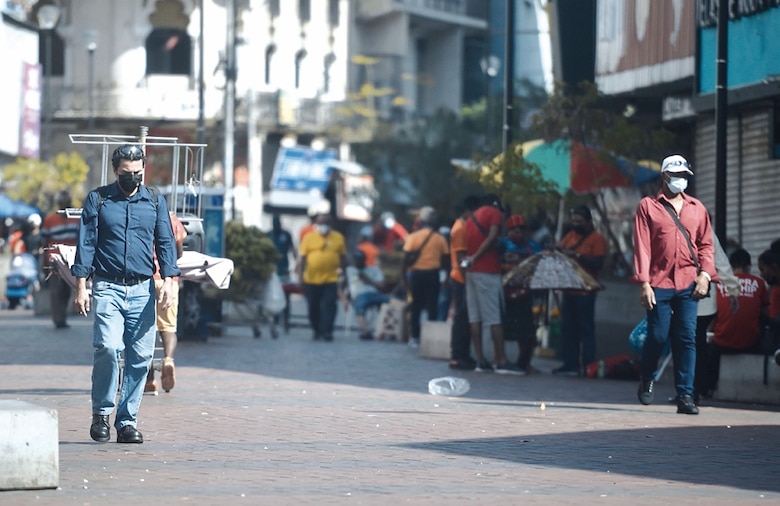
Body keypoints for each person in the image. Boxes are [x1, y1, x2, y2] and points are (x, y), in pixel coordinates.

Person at [72, 144, 181, 444]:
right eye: (125, 173)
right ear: (115, 170)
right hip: (108, 287)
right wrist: (81, 284)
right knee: (107, 347)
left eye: (137, 173)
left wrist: (170, 280)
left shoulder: (155, 200)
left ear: (143, 170)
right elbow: (87, 242)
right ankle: (101, 413)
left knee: (141, 357)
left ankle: (127, 421)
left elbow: (165, 241)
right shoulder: (99, 199)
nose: (131, 178)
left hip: (143, 289)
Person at [633, 154, 715, 415]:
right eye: (675, 176)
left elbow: (706, 246)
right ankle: (647, 376)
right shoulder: (648, 206)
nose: (680, 181)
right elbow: (642, 247)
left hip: (688, 283)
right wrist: (644, 282)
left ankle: (686, 395)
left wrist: (705, 275)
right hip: (659, 281)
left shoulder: (697, 208)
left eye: (684, 176)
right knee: (657, 335)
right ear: (664, 177)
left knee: (686, 338)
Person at [462, 194, 523, 375]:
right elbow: (493, 235)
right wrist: (477, 257)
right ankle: (501, 360)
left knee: (475, 317)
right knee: (494, 317)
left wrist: (471, 259)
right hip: (487, 271)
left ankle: (481, 360)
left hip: (471, 273)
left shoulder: (470, 218)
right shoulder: (494, 213)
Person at [699, 248, 769, 396]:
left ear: (730, 266)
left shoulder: (720, 283)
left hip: (723, 342)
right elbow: (764, 312)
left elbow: (715, 314)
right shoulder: (759, 283)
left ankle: (706, 388)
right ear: (749, 266)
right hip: (752, 342)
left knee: (706, 350)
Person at [552, 206, 608, 376]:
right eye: (574, 221)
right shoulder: (570, 236)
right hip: (569, 289)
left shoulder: (597, 239)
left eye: (579, 221)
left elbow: (598, 263)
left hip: (585, 291)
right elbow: (561, 250)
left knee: (585, 329)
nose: (576, 224)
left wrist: (577, 256)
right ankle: (570, 364)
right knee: (568, 328)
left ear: (588, 221)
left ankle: (588, 365)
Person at [692, 229, 739, 402]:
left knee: (688, 344)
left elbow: (719, 261)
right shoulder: (706, 231)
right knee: (696, 345)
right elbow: (721, 262)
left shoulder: (703, 231)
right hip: (701, 301)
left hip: (694, 300)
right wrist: (733, 288)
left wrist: (733, 288)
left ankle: (690, 391)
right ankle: (693, 390)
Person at [144, 212, 187, 395]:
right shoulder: (172, 219)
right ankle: (168, 359)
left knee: (144, 330)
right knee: (168, 327)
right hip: (168, 281)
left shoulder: (141, 214)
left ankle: (149, 379)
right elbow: (179, 253)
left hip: (144, 280)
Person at [500, 214, 542, 373]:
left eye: (521, 229)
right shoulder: (502, 245)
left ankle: (524, 363)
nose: (517, 232)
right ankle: (501, 359)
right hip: (504, 294)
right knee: (503, 328)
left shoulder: (532, 246)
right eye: (513, 229)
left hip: (525, 294)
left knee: (527, 332)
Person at [402, 206, 449, 348]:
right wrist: (446, 277)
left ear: (421, 221)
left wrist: (404, 278)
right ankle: (430, 337)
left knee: (416, 306)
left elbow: (405, 260)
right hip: (433, 275)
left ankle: (415, 337)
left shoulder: (413, 237)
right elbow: (446, 261)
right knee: (432, 307)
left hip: (417, 275)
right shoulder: (440, 238)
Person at [297, 212, 347, 341]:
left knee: (330, 305)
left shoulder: (338, 238)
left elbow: (342, 258)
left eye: (326, 223)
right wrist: (300, 276)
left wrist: (344, 274)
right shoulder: (308, 237)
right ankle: (316, 329)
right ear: (316, 224)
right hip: (311, 278)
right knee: (313, 307)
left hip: (331, 278)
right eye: (321, 223)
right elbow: (302, 258)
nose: (323, 225)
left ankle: (327, 331)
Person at [447, 196, 480, 370]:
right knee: (461, 318)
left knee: (464, 318)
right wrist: (468, 282)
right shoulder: (460, 228)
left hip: (461, 278)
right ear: (468, 211)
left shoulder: (463, 226)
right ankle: (457, 355)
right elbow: (461, 259)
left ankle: (462, 355)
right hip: (460, 279)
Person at [41, 191, 80, 329]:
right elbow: (45, 240)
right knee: (56, 289)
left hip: (71, 257)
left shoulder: (77, 218)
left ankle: (62, 314)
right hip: (54, 258)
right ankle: (58, 318)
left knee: (66, 289)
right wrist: (44, 262)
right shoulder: (50, 219)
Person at [346, 249, 390, 340]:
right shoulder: (349, 270)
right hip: (360, 295)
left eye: (360, 260)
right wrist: (344, 300)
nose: (358, 262)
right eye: (356, 260)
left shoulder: (374, 269)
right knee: (360, 309)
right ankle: (366, 331)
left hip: (375, 293)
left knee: (392, 303)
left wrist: (369, 281)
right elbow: (340, 287)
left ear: (364, 260)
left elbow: (382, 285)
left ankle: (388, 331)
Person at [268, 213, 298, 332]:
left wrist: (297, 264)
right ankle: (275, 320)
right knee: (274, 296)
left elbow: (292, 249)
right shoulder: (268, 235)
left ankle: (286, 321)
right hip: (272, 271)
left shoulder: (286, 235)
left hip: (284, 270)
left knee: (285, 297)